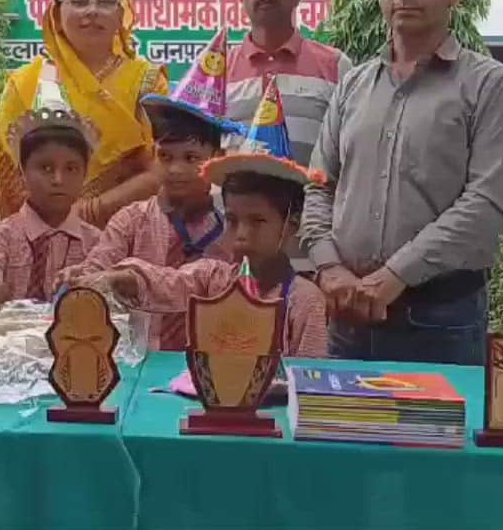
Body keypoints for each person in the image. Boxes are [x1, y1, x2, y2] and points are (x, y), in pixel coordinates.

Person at [301, 0, 503, 366]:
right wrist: (329, 267)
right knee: (341, 414)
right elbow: (318, 184)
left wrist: (395, 275)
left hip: (440, 320)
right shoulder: (353, 85)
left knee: (438, 417)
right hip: (348, 316)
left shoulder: (491, 86)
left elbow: (487, 204)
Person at [81, 78, 328, 358]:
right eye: (233, 220)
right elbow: (168, 282)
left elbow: (312, 373)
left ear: (291, 225)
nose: (241, 234)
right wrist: (123, 279)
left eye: (257, 221)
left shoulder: (305, 300)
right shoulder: (215, 277)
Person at [56, 29, 238, 350]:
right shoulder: (131, 220)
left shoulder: (232, 228)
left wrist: (132, 278)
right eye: (165, 157)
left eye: (191, 158)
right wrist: (80, 278)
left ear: (218, 158)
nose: (176, 169)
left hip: (213, 361)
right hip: (140, 361)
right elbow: (99, 265)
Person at [0, 0, 169, 229]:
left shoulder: (147, 81)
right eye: (79, 1)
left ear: (120, 13)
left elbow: (163, 166)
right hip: (43, 233)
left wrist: (90, 212)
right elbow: (13, 178)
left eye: (105, 1)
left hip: (129, 232)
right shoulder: (26, 83)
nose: (92, 10)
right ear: (56, 13)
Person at [225, 0, 352, 274]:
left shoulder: (335, 66)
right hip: (232, 259)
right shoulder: (217, 70)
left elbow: (351, 160)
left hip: (314, 256)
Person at [0, 62, 101, 306]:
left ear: (85, 174)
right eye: (45, 168)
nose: (58, 180)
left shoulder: (96, 243)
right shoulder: (2, 237)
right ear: (22, 172)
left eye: (71, 169)